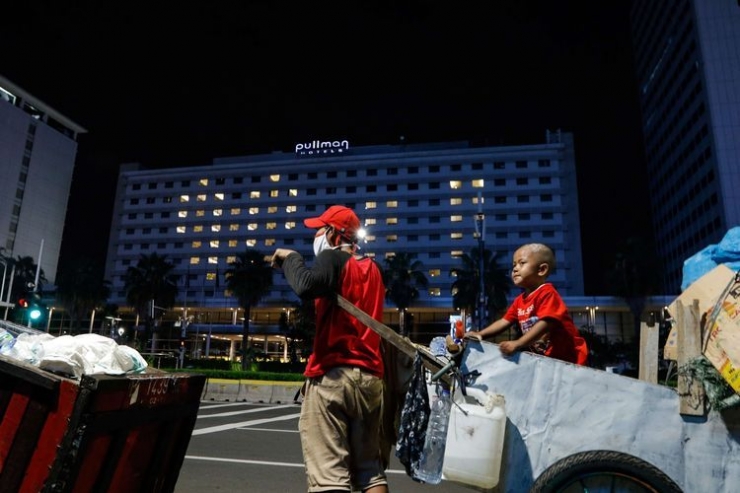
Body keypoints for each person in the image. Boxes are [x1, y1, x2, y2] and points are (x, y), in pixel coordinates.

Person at [271, 205, 389, 493]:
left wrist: (291, 258)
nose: (317, 234)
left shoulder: (333, 257)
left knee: (329, 477)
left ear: (335, 234)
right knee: (370, 473)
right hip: (370, 379)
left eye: (320, 229)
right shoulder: (373, 269)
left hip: (335, 376)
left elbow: (306, 285)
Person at [466, 243, 589, 365]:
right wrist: (480, 334)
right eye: (514, 265)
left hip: (571, 359)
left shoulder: (547, 293)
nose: (515, 269)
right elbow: (504, 321)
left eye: (522, 263)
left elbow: (546, 322)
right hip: (549, 361)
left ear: (541, 270)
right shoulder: (519, 300)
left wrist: (518, 343)